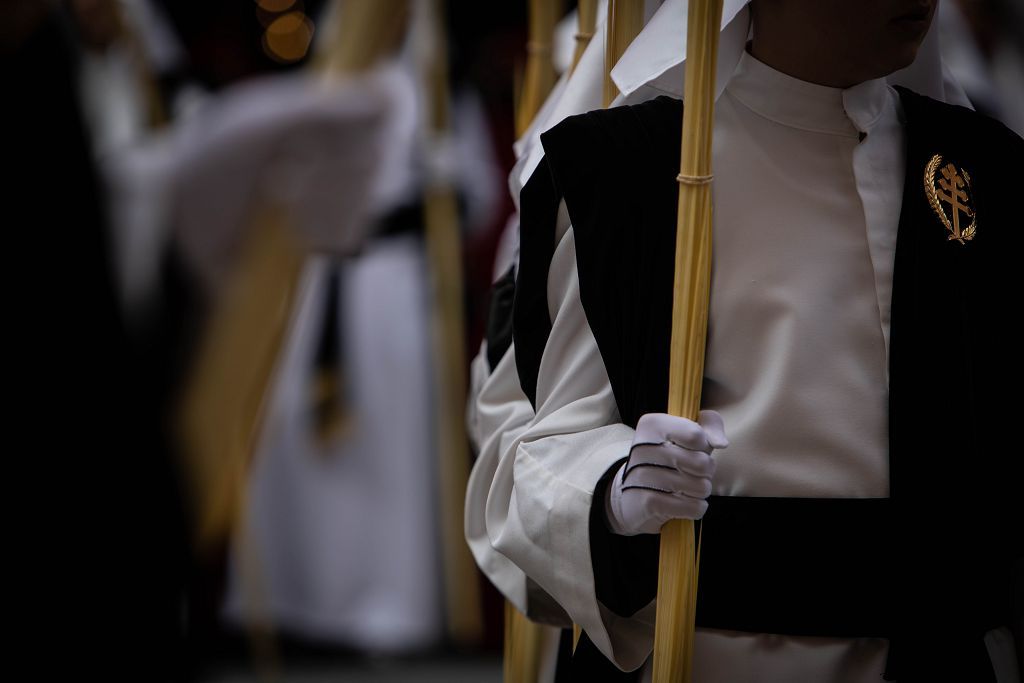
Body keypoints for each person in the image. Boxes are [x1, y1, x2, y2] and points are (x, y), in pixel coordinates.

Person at [475, 0, 1023, 680]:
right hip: (713, 652)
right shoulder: (632, 175)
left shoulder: (985, 167)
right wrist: (614, 491)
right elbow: (538, 452)